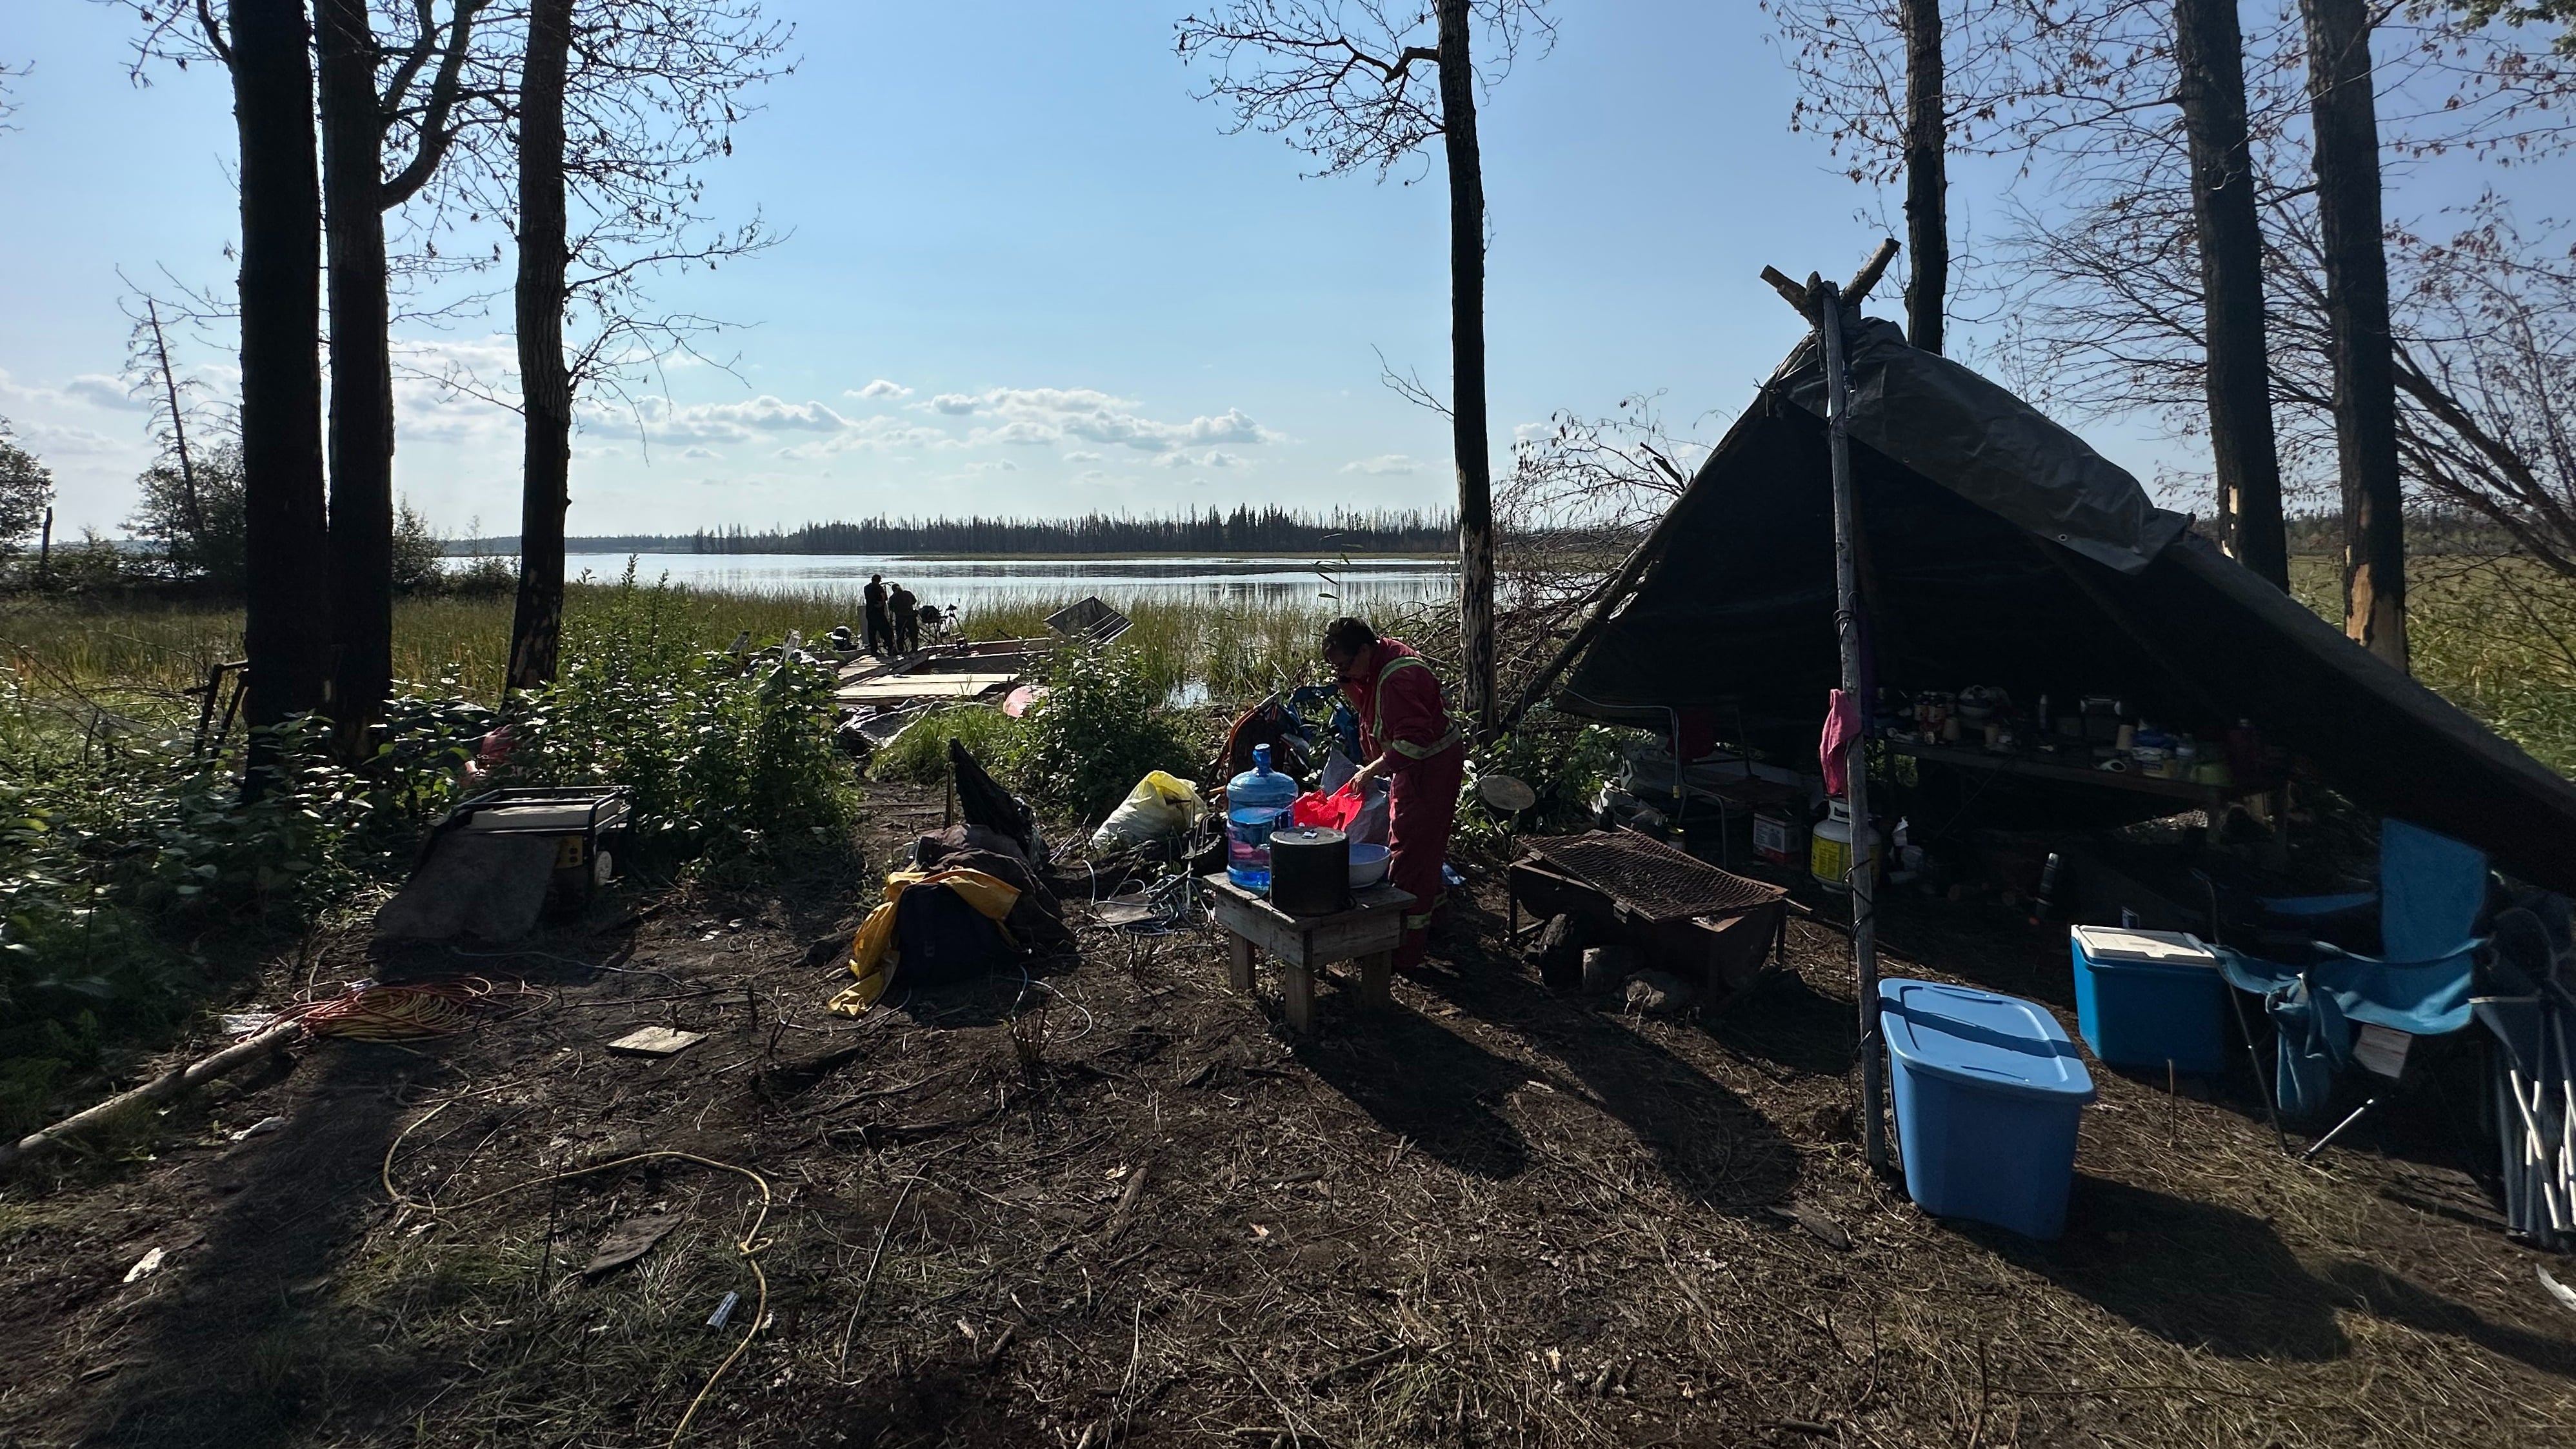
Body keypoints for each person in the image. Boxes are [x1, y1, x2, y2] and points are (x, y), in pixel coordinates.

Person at [1321, 615, 1465, 970]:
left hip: (1428, 769)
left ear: (1366, 649)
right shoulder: (1376, 662)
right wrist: (1348, 680)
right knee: (1425, 848)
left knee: (1409, 853)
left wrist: (1371, 771)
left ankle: (1403, 950)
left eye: (1346, 665)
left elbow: (1413, 741)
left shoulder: (1397, 678)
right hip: (1417, 767)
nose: (1344, 674)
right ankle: (1439, 923)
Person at [863, 573, 890, 656]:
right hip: (878, 613)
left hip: (869, 613)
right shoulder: (879, 588)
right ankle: (889, 648)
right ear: (879, 581)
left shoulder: (866, 588)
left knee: (872, 633)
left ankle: (874, 651)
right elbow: (884, 598)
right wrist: (882, 603)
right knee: (886, 630)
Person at [888, 580, 918, 654]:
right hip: (911, 616)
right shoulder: (908, 593)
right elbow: (914, 601)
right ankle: (914, 649)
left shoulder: (892, 598)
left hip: (900, 617)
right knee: (913, 633)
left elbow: (891, 609)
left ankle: (901, 650)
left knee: (900, 634)